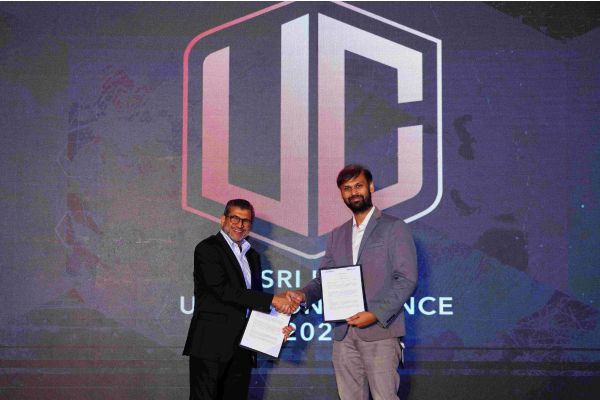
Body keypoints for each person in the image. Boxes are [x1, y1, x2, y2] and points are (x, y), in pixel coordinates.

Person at [287, 165, 418, 400]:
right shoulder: (337, 234)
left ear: (371, 187)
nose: (353, 192)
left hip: (380, 332)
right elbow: (324, 280)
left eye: (358, 186)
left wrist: (375, 314)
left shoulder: (394, 227)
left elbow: (407, 279)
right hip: (343, 334)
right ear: (341, 193)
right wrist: (304, 294)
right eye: (347, 188)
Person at [183, 199, 297, 400]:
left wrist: (277, 326)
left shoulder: (252, 256)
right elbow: (223, 291)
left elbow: (254, 302)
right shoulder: (207, 248)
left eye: (246, 221)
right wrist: (272, 300)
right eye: (235, 218)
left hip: (242, 347)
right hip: (211, 346)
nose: (240, 225)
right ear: (223, 219)